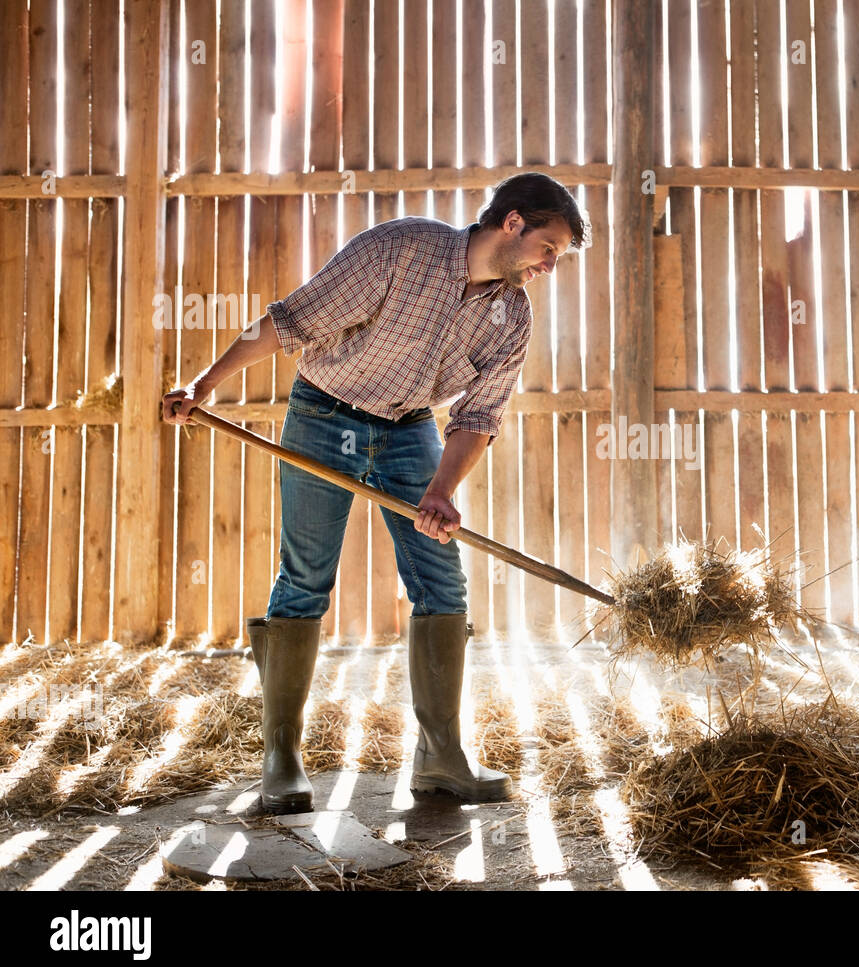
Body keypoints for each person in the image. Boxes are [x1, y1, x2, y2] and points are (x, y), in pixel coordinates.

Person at [162, 172, 588, 814]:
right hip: (324, 412)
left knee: (443, 581)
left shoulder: (511, 314)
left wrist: (442, 489)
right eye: (549, 246)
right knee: (305, 578)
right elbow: (289, 323)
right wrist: (203, 384)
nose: (551, 266)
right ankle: (281, 760)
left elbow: (479, 415)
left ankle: (441, 756)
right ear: (513, 223)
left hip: (410, 426)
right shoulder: (400, 249)